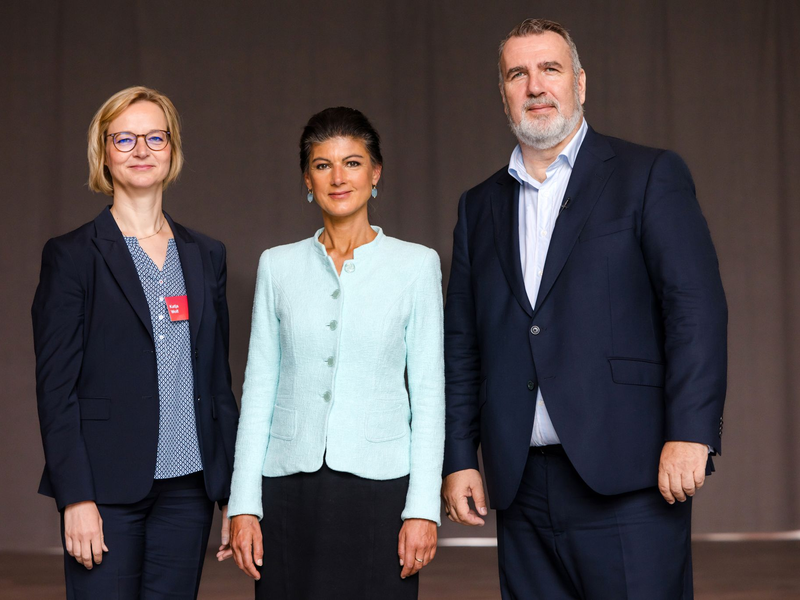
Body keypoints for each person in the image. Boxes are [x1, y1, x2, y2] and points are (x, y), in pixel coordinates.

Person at [441, 18, 727, 600]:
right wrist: (457, 457)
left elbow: (695, 311)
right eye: (517, 74)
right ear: (503, 94)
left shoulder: (648, 175)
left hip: (631, 475)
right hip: (519, 482)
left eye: (550, 69)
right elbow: (463, 344)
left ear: (580, 82)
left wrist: (692, 432)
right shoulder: (479, 206)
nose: (535, 85)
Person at [225, 107, 444, 599]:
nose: (338, 177)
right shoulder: (277, 266)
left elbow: (429, 395)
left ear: (376, 172)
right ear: (307, 178)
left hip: (381, 488)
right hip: (287, 486)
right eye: (323, 165)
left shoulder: (416, 266)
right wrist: (244, 504)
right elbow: (258, 387)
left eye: (353, 162)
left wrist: (423, 509)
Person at [31, 86, 239, 599]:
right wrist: (74, 499)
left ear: (172, 150)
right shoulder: (72, 256)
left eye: (154, 137)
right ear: (102, 152)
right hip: (104, 490)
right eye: (124, 138)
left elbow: (217, 386)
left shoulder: (205, 255)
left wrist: (236, 492)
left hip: (189, 488)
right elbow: (56, 392)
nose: (141, 150)